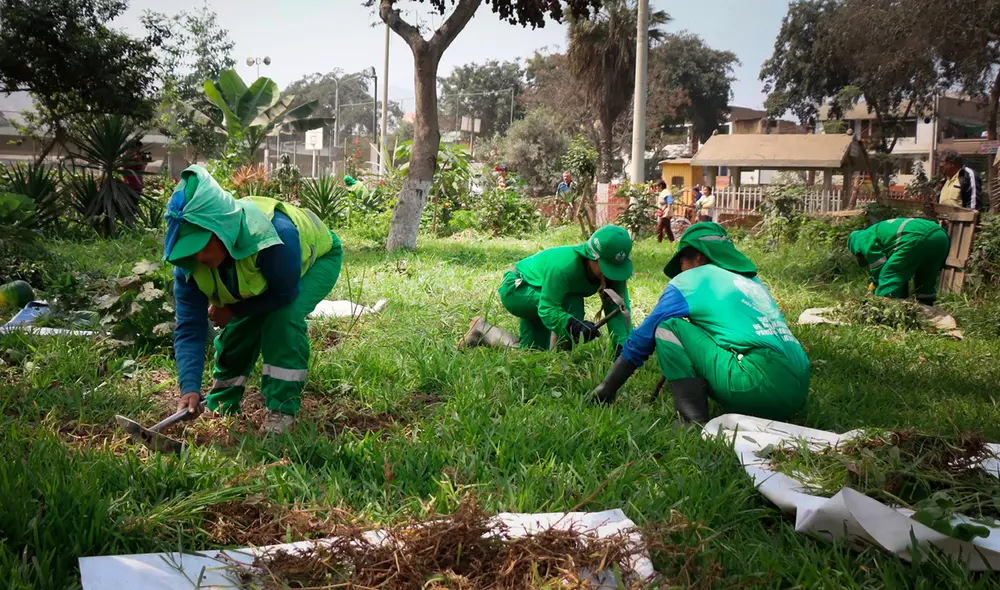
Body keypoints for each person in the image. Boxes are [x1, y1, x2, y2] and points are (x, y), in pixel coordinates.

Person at [165, 165, 343, 434]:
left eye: (201, 245)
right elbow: (190, 327)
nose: (198, 257)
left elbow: (285, 294)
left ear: (223, 229)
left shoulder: (277, 237)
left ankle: (282, 409)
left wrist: (235, 310)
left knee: (282, 318)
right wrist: (188, 388)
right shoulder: (188, 267)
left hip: (317, 259)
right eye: (189, 249)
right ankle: (222, 403)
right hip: (264, 277)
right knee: (239, 327)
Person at [591, 223, 810, 423]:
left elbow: (642, 338)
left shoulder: (692, 279)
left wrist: (606, 389)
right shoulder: (751, 281)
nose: (681, 270)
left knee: (669, 328)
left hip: (756, 387)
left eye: (682, 262)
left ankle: (693, 421)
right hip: (799, 388)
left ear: (698, 257)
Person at [459, 225, 634, 352]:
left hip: (543, 292)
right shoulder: (565, 266)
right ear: (592, 256)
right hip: (518, 289)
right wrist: (573, 325)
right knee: (571, 302)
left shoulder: (613, 272)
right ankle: (561, 357)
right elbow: (548, 307)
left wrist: (622, 347)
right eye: (606, 267)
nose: (612, 275)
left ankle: (482, 330)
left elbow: (618, 308)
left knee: (532, 352)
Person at [847, 217, 950, 305]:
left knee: (890, 275)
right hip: (941, 236)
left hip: (916, 238)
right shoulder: (879, 231)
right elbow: (901, 274)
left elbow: (879, 264)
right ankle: (927, 308)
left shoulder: (862, 239)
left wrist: (876, 282)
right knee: (926, 277)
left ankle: (885, 309)